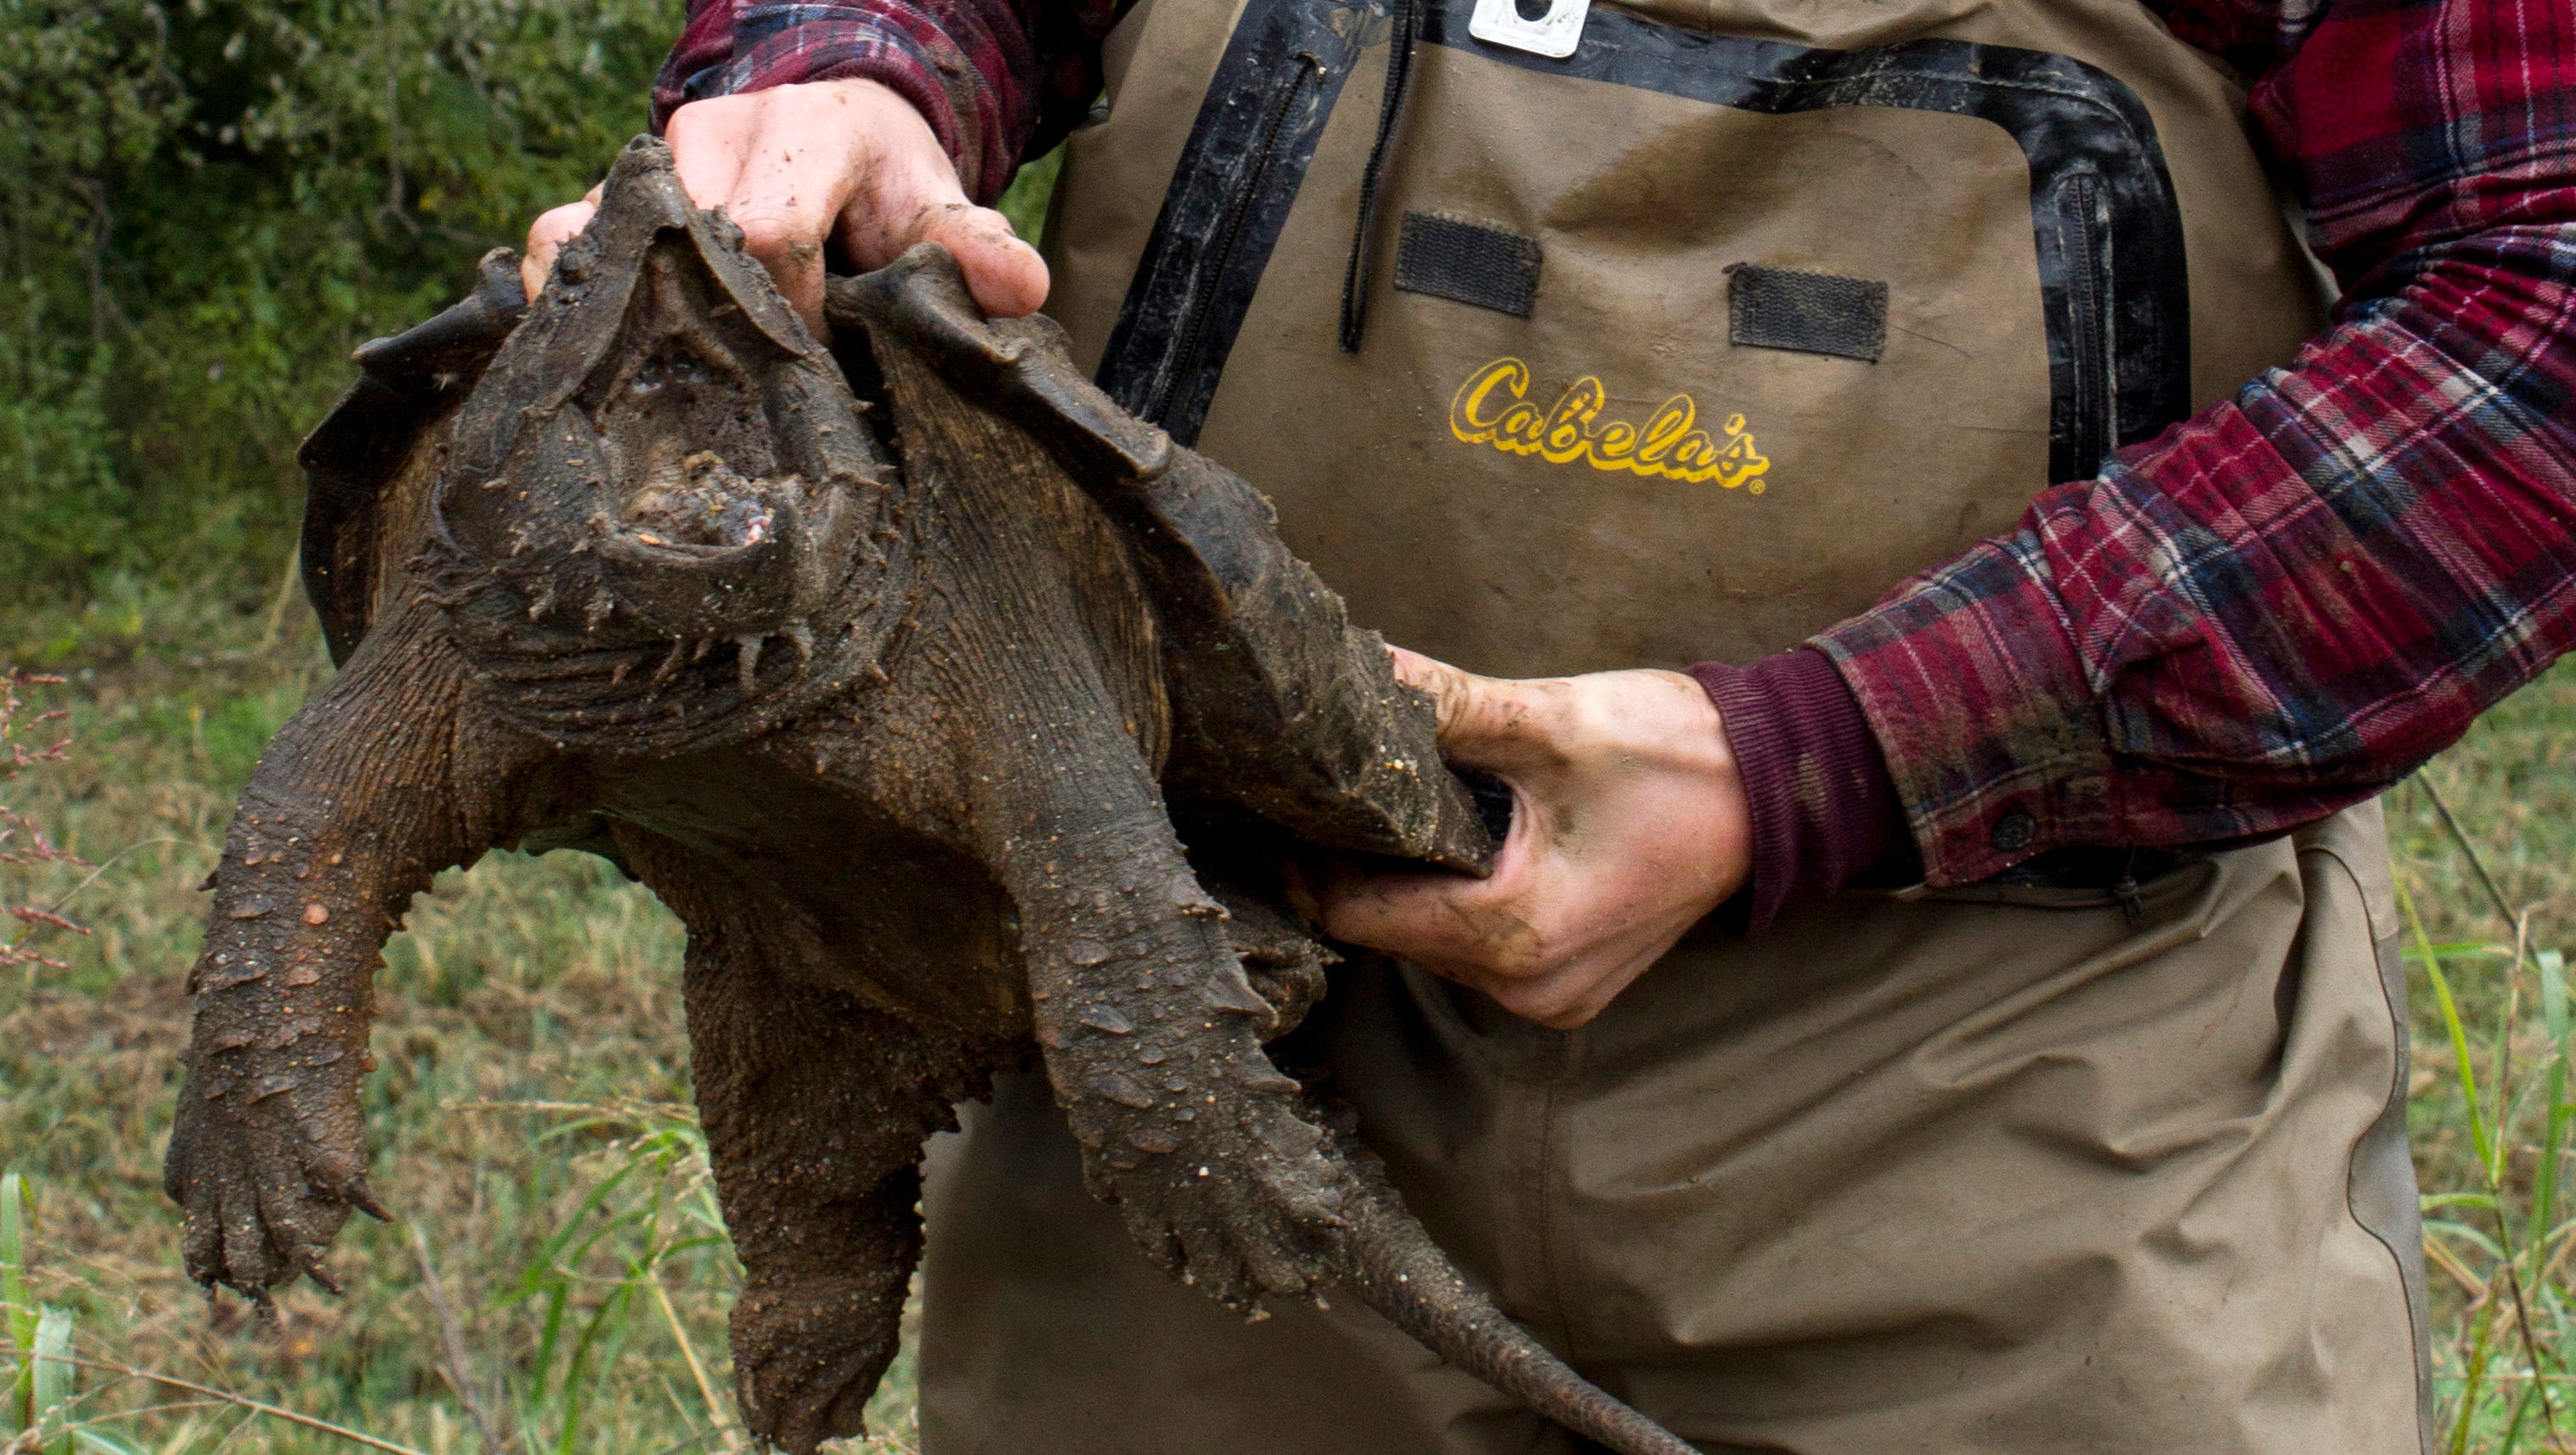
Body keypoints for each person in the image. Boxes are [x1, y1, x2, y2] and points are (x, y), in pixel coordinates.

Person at [525, 0, 2573, 1447]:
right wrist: (843, 73)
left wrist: (1827, 749)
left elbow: (2546, 286)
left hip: (2014, 1117)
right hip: (1201, 1044)